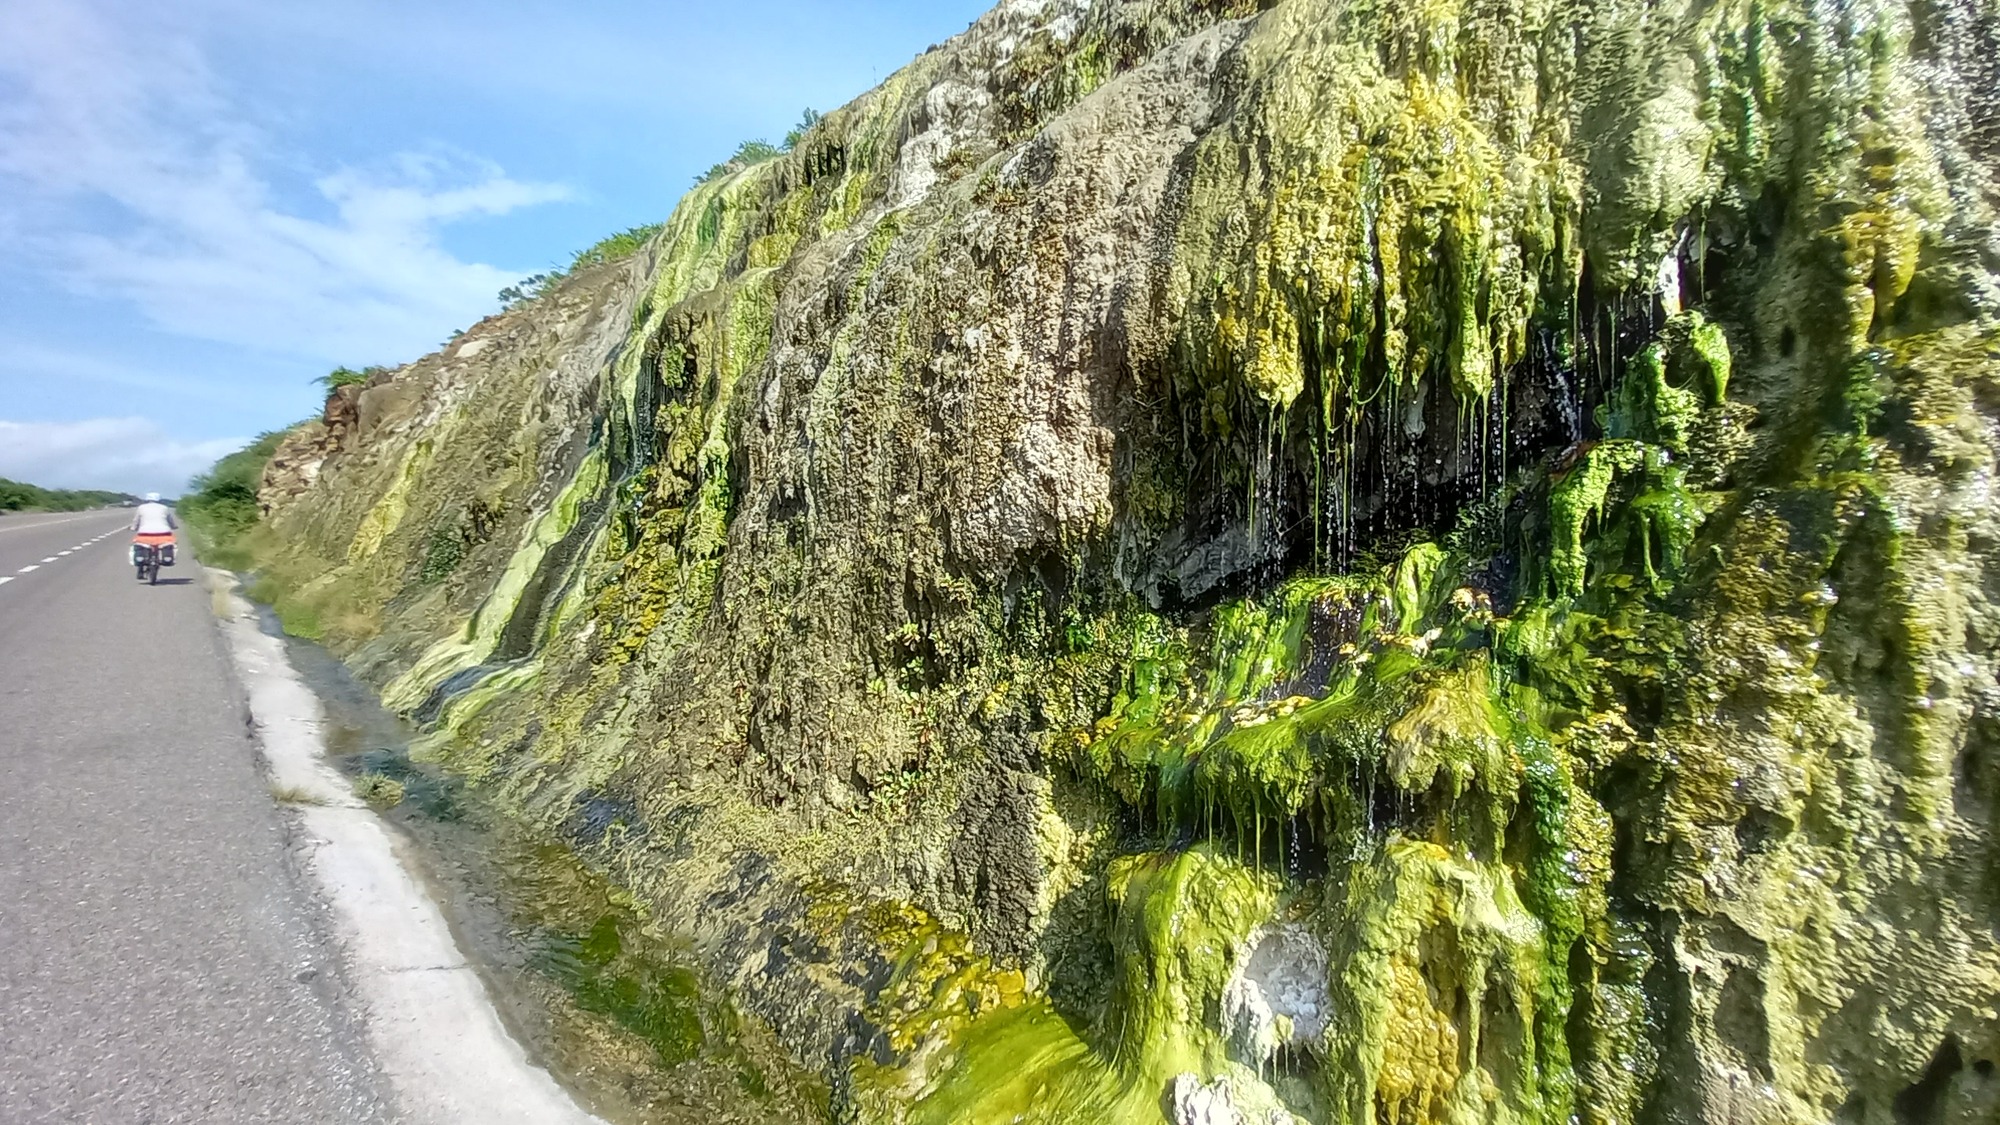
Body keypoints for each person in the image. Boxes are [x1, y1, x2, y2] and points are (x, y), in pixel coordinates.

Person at [131, 492, 177, 567]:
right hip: (164, 534)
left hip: (144, 534)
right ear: (159, 499)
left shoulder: (141, 507)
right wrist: (174, 527)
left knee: (135, 546)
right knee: (172, 546)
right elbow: (170, 520)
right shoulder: (164, 508)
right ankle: (170, 560)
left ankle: (136, 561)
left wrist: (133, 528)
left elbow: (136, 520)